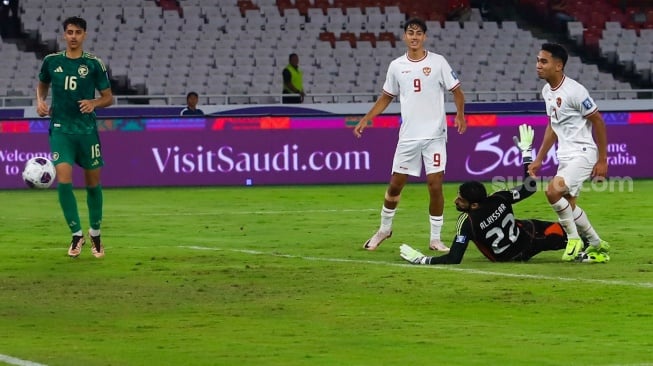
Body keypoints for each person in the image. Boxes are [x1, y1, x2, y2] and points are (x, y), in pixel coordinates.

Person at [399, 124, 608, 265]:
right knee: (559, 231)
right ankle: (591, 248)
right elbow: (529, 187)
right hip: (527, 238)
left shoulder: (467, 222)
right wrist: (526, 152)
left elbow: (454, 258)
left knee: (558, 233)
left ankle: (585, 247)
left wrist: (422, 260)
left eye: (460, 199)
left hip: (510, 257)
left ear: (472, 205)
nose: (455, 200)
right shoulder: (499, 198)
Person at [353, 17, 466, 252]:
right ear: (404, 37)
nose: (414, 36)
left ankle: (435, 238)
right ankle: (384, 229)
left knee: (435, 185)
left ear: (424, 37)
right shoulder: (396, 66)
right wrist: (367, 118)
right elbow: (386, 96)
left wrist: (460, 115)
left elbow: (457, 91)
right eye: (410, 32)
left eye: (418, 33)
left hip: (435, 134)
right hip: (409, 137)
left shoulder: (438, 62)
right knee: (395, 186)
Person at [36, 16, 113, 258]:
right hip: (60, 129)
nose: (73, 36)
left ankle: (96, 233)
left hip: (87, 131)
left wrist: (94, 103)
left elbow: (108, 97)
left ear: (84, 35)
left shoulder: (93, 64)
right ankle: (76, 234)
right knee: (65, 180)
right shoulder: (51, 61)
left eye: (77, 32)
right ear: (64, 34)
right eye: (69, 32)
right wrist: (40, 101)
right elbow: (42, 84)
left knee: (92, 185)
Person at [528, 42, 610, 262]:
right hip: (565, 156)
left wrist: (602, 159)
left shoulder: (575, 91)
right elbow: (552, 126)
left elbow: (598, 121)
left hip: (583, 153)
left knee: (552, 192)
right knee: (569, 206)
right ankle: (596, 244)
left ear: (558, 65)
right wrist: (538, 159)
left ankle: (574, 238)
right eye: (538, 60)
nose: (538, 65)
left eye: (543, 61)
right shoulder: (547, 91)